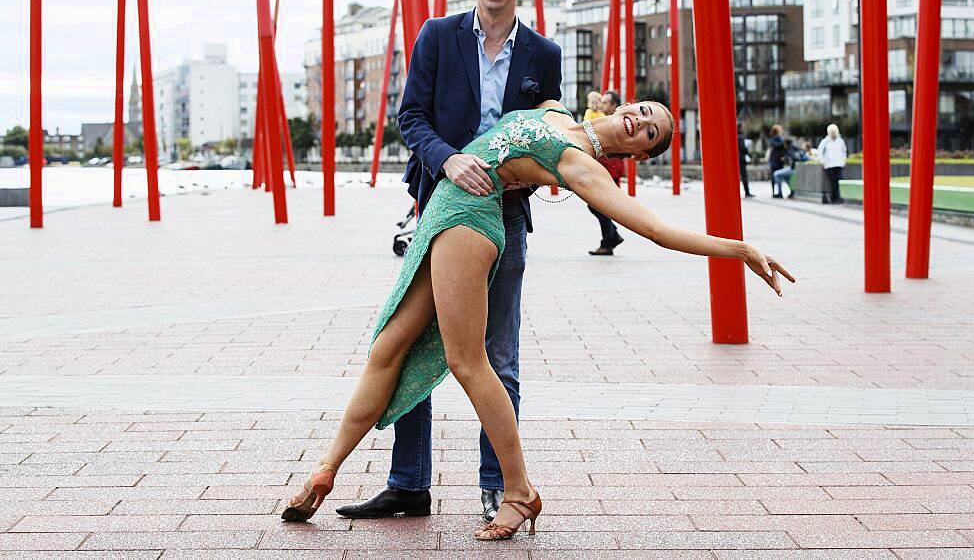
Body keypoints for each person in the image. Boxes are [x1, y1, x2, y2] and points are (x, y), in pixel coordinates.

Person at [281, 98, 795, 541]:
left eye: (652, 130)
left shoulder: (583, 166)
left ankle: (519, 490)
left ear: (638, 154)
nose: (641, 119)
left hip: (469, 223)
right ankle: (325, 471)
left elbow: (657, 230)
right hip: (440, 214)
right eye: (644, 109)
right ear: (625, 105)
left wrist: (738, 248)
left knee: (468, 362)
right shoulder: (557, 113)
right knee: (387, 349)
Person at [333, 0, 562, 526]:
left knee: (499, 356)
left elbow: (547, 132)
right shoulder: (437, 37)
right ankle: (408, 484)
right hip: (437, 213)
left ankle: (497, 485)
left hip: (505, 222)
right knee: (410, 347)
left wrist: (544, 175)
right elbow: (412, 117)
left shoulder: (544, 54)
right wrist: (448, 159)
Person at [587, 90, 626, 255]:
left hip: (610, 169)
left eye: (605, 102)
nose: (601, 105)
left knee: (599, 205)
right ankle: (612, 236)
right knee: (596, 205)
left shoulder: (617, 122)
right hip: (604, 166)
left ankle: (608, 241)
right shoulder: (603, 120)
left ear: (613, 105)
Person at [817, 123, 848, 204]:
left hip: (839, 164)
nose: (834, 133)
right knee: (833, 182)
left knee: (840, 181)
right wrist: (822, 161)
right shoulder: (825, 141)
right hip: (829, 165)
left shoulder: (840, 141)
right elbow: (819, 152)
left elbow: (844, 151)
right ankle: (834, 198)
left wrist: (844, 160)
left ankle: (839, 198)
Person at [767, 124, 787, 198]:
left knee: (778, 176)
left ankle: (779, 191)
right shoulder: (774, 139)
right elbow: (777, 145)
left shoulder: (780, 138)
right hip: (775, 159)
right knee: (774, 176)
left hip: (779, 159)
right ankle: (775, 192)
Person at [737, 122, 753, 198]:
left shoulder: (735, 136)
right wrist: (749, 154)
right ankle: (747, 192)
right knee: (744, 176)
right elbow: (743, 148)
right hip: (741, 158)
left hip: (736, 158)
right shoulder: (741, 137)